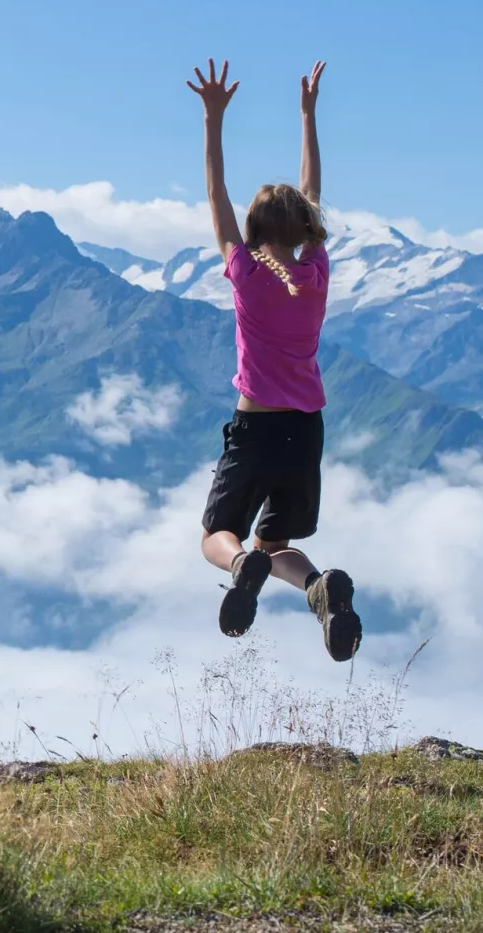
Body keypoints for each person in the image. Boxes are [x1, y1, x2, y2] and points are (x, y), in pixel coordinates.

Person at [187, 58, 361, 662]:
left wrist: (213, 120)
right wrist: (308, 116)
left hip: (256, 426)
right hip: (305, 429)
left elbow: (217, 190)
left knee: (217, 536)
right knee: (276, 541)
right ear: (305, 229)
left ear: (254, 230)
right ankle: (318, 589)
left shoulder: (245, 272)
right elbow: (312, 195)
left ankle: (239, 569)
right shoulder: (315, 271)